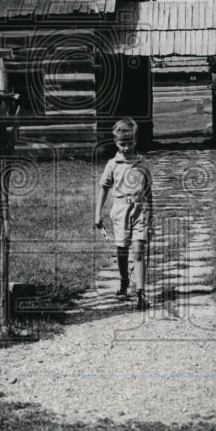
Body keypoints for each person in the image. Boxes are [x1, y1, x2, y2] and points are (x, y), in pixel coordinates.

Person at [94, 118, 153, 310]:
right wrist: (98, 214)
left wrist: (151, 215)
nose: (126, 148)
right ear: (116, 143)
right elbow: (103, 188)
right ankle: (124, 281)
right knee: (122, 251)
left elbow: (149, 191)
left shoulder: (143, 163)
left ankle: (141, 293)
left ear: (136, 141)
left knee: (139, 252)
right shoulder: (113, 164)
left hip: (140, 211)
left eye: (129, 143)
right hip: (120, 212)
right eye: (122, 144)